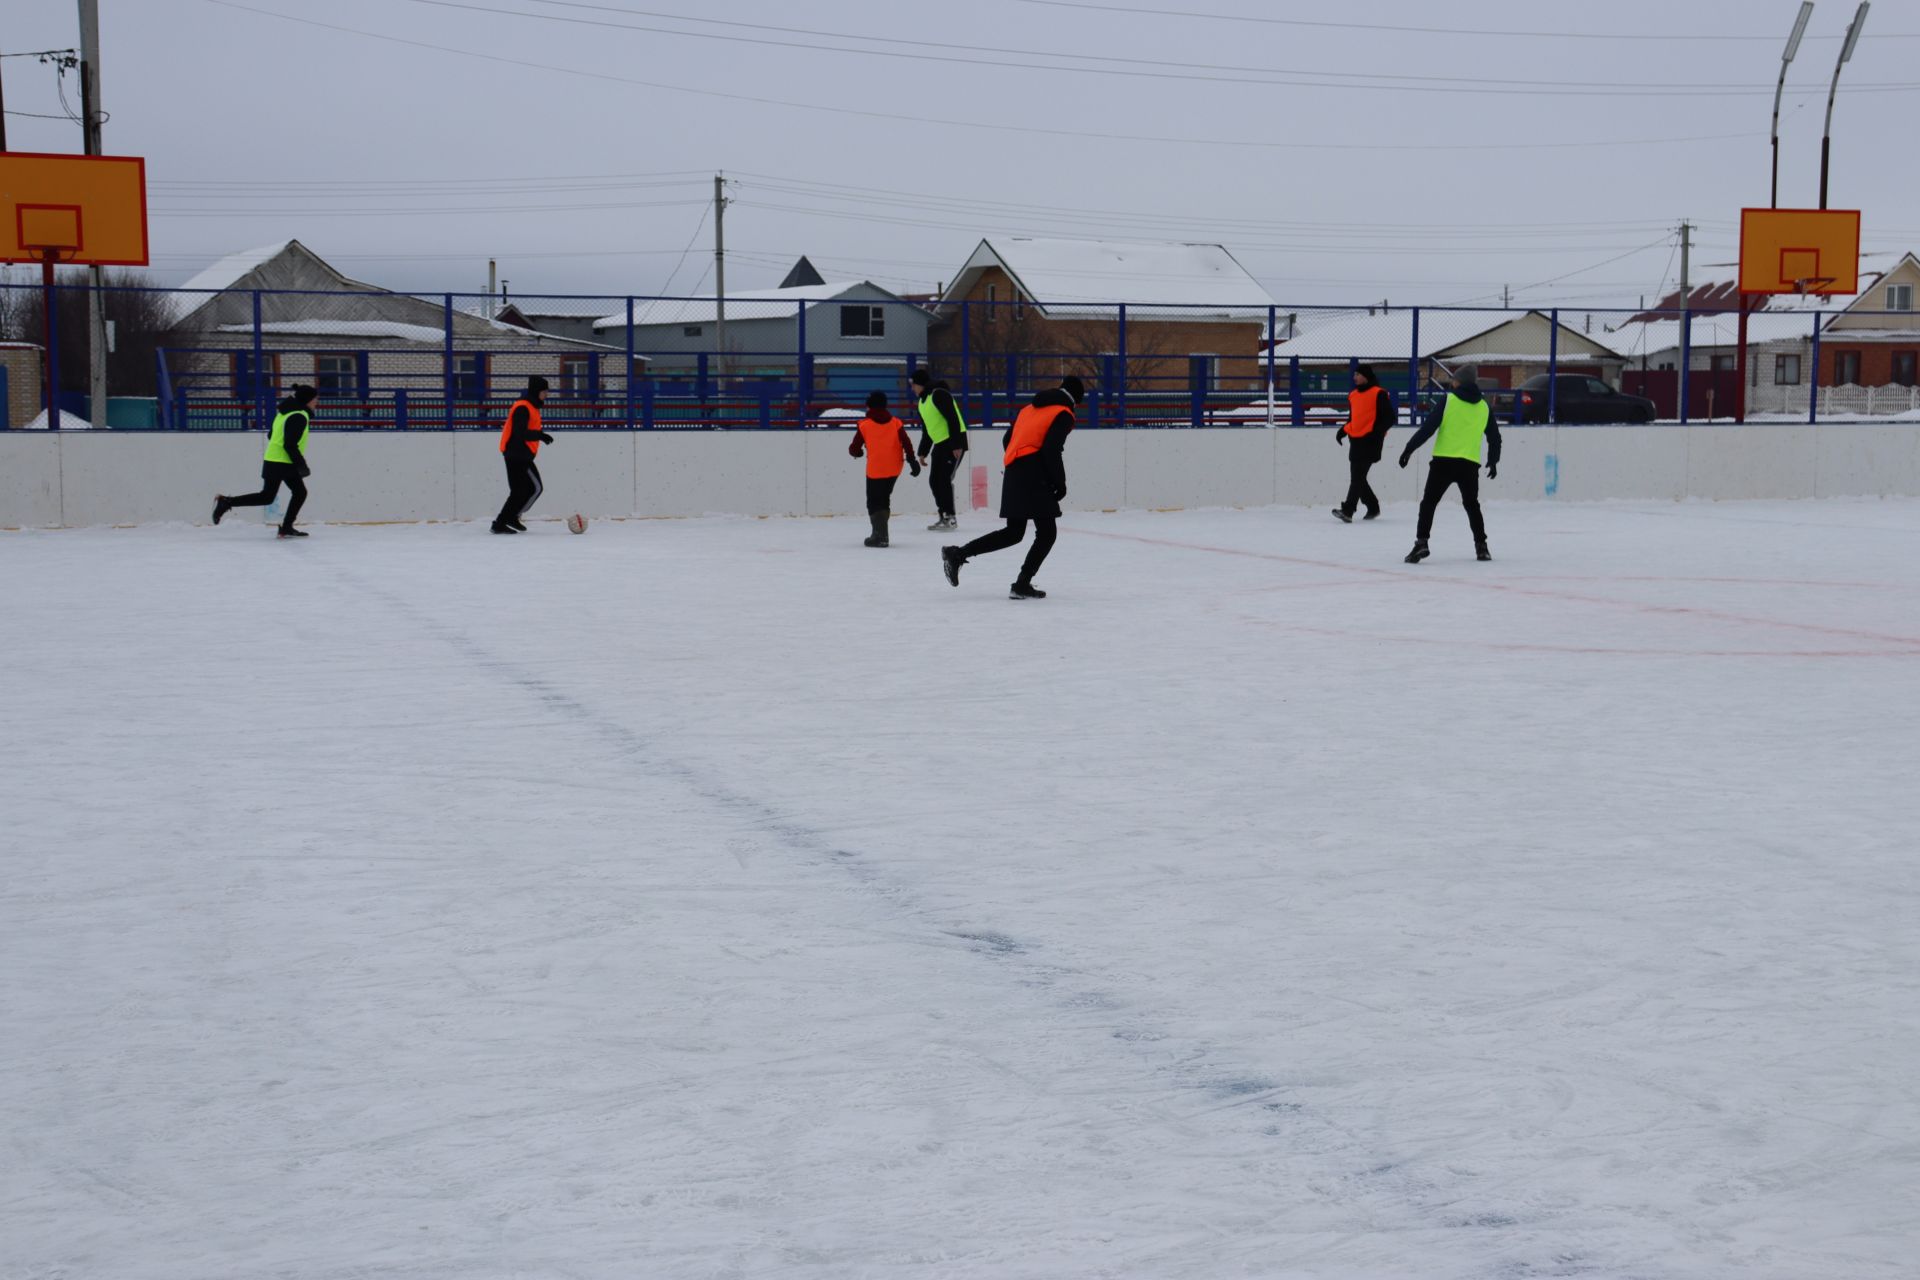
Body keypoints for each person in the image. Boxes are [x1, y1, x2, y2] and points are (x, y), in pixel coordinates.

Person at [942, 375, 1082, 600]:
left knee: (1014, 532)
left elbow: (1008, 439)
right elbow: (1051, 449)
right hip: (1035, 472)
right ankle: (1021, 583)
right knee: (1047, 533)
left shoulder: (1028, 409)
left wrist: (1019, 461)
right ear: (1076, 400)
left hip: (1015, 468)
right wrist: (1059, 482)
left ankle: (958, 554)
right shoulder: (1063, 413)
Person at [1397, 370, 1501, 564]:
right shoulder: (1484, 407)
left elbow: (1428, 428)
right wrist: (1493, 460)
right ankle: (1482, 547)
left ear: (1458, 382)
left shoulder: (1448, 401)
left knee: (1429, 503)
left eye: (1454, 379)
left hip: (1443, 462)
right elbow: (1495, 438)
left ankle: (1422, 543)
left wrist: (1409, 449)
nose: (1452, 382)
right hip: (1469, 464)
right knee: (1472, 505)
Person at [212, 383, 318, 538]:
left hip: (275, 460)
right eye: (315, 399)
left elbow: (271, 436)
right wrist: (301, 465)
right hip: (282, 461)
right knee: (277, 495)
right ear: (307, 400)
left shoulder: (284, 414)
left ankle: (286, 526)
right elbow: (289, 444)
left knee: (291, 493)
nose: (317, 402)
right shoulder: (299, 416)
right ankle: (227, 502)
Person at [848, 390, 919, 547]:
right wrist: (912, 461)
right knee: (884, 498)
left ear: (870, 406)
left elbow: (854, 449)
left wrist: (858, 453)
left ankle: (879, 536)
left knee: (874, 501)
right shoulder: (896, 423)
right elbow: (906, 442)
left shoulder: (864, 425)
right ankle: (882, 534)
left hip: (876, 469)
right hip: (894, 468)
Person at [1331, 363, 1394, 522]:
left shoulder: (1379, 393)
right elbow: (1353, 418)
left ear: (1365, 376)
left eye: (1357, 374)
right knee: (1358, 477)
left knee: (1357, 477)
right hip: (1356, 440)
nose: (1354, 377)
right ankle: (1373, 506)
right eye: (1355, 375)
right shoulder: (1353, 395)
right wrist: (1343, 431)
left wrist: (1377, 433)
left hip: (1371, 441)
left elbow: (1390, 418)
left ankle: (1348, 510)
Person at [493, 375, 554, 535]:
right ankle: (501, 522)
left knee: (523, 490)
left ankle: (509, 518)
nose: (546, 394)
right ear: (536, 391)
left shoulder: (530, 407)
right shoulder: (523, 407)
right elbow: (521, 433)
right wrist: (541, 435)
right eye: (544, 391)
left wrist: (540, 435)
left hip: (520, 454)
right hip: (517, 454)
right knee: (533, 488)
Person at [910, 367, 968, 531]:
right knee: (935, 480)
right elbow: (927, 430)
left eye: (913, 384)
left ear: (920, 384)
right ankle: (944, 515)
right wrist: (923, 451)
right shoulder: (922, 403)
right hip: (940, 444)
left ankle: (950, 518)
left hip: (953, 443)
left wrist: (957, 445)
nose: (912, 388)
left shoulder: (939, 394)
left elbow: (953, 418)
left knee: (943, 479)